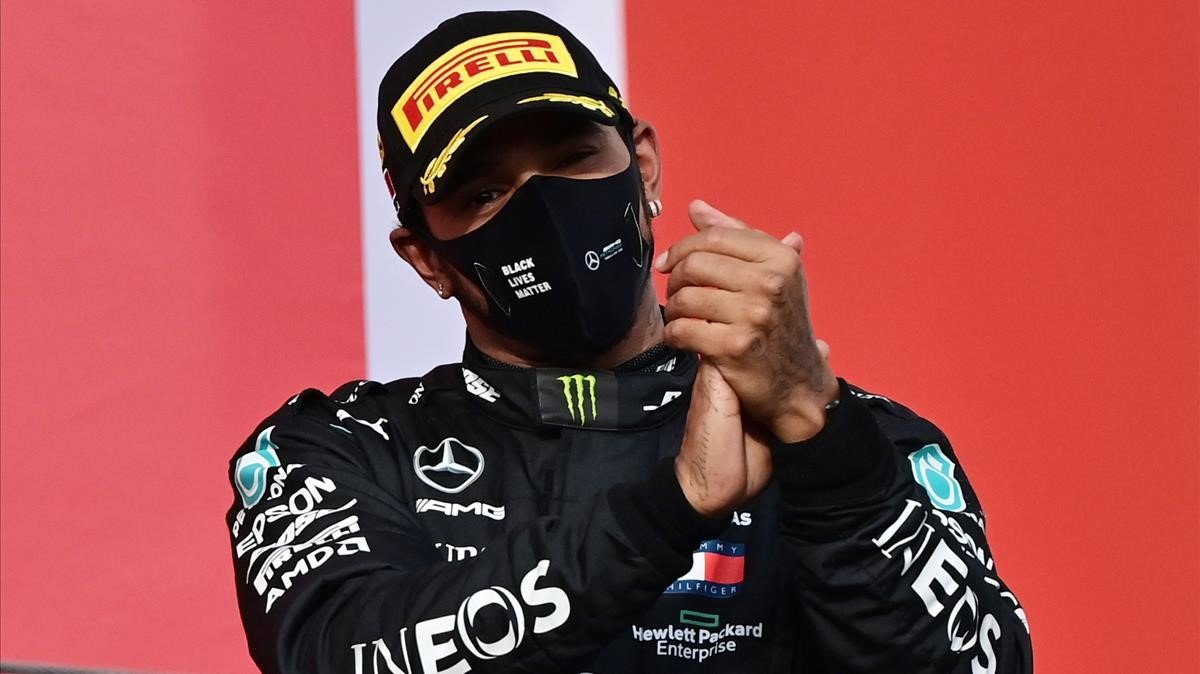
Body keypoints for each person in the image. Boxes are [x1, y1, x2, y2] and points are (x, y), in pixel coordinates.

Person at [227, 10, 1033, 673]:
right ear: (427, 259)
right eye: (484, 192)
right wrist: (672, 508)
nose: (542, 209)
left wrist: (817, 438)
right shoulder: (341, 451)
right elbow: (342, 651)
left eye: (572, 157)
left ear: (643, 166)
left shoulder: (859, 445)